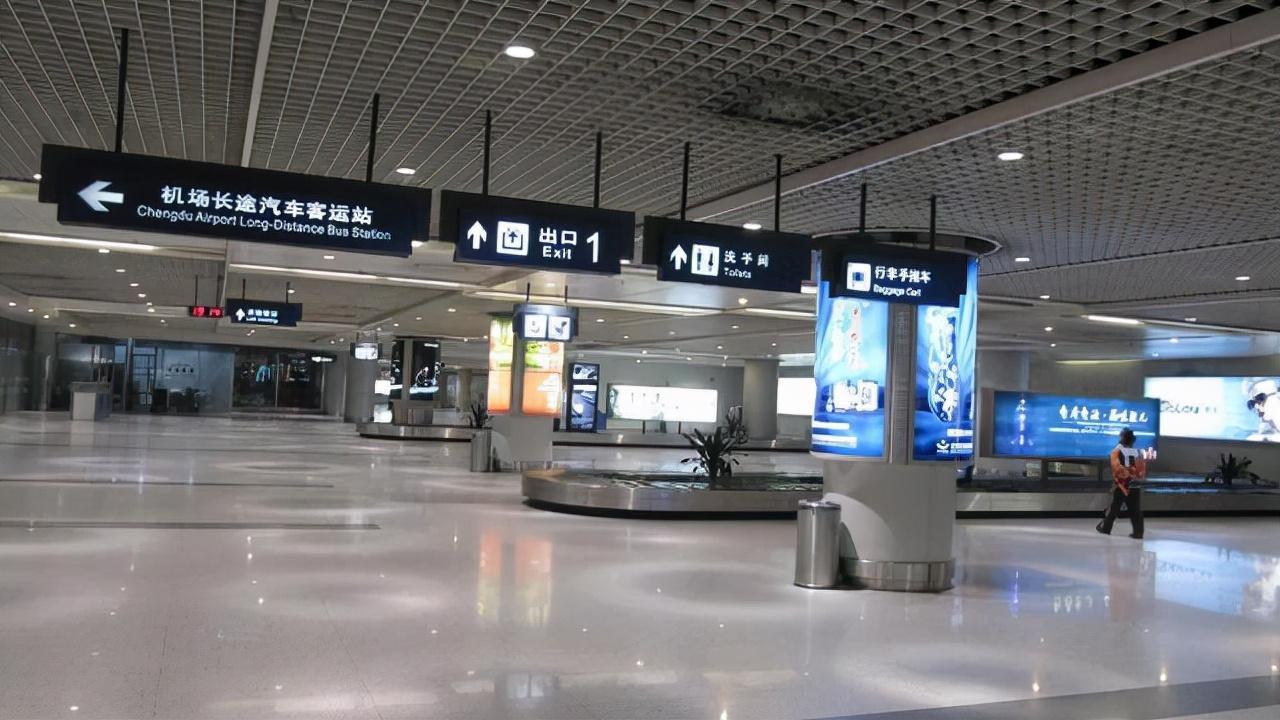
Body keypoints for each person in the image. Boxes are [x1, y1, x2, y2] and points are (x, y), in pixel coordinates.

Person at [1097, 427, 1146, 539]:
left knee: (1114, 509)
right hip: (1135, 484)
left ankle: (1106, 529)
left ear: (1122, 438)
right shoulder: (1138, 452)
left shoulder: (1117, 451)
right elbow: (1141, 471)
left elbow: (1116, 468)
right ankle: (1138, 533)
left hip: (1122, 485)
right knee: (1135, 510)